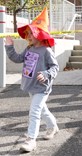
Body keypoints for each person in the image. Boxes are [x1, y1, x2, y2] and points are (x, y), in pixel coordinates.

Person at [4, 7, 59, 152]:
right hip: (30, 86)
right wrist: (9, 47)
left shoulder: (47, 51)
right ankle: (53, 126)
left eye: (31, 33)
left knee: (34, 112)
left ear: (39, 34)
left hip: (42, 87)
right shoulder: (29, 49)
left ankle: (31, 140)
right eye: (27, 33)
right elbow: (17, 58)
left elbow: (55, 67)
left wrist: (46, 74)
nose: (28, 35)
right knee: (42, 110)